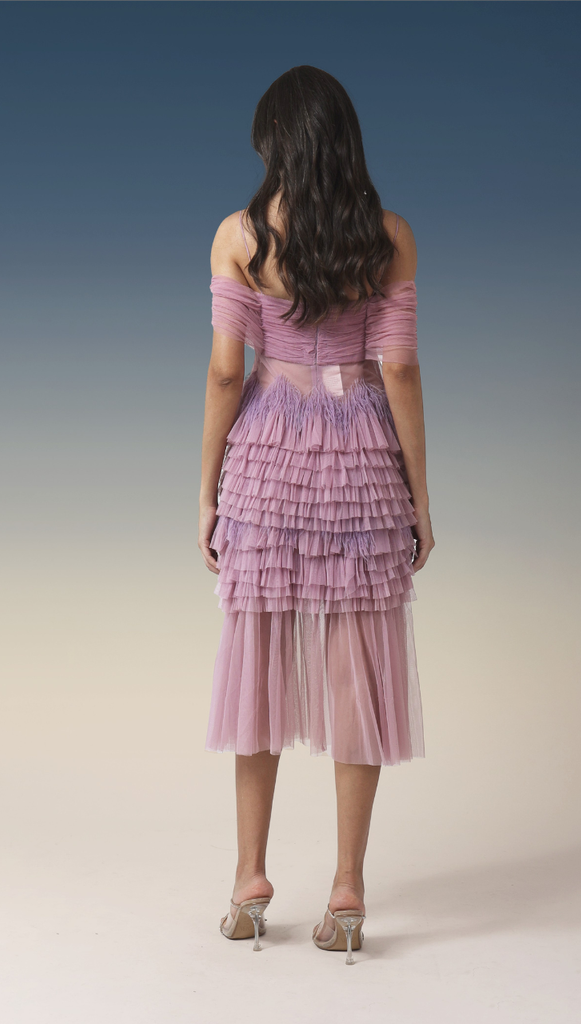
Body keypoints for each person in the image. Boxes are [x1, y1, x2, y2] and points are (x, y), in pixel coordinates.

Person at [197, 66, 435, 965]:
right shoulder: (388, 236)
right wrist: (419, 498)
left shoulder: (239, 236)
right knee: (355, 676)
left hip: (266, 457)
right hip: (359, 462)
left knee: (255, 668)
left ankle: (249, 881)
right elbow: (399, 370)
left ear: (273, 143)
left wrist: (208, 490)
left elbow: (227, 371)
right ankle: (346, 890)